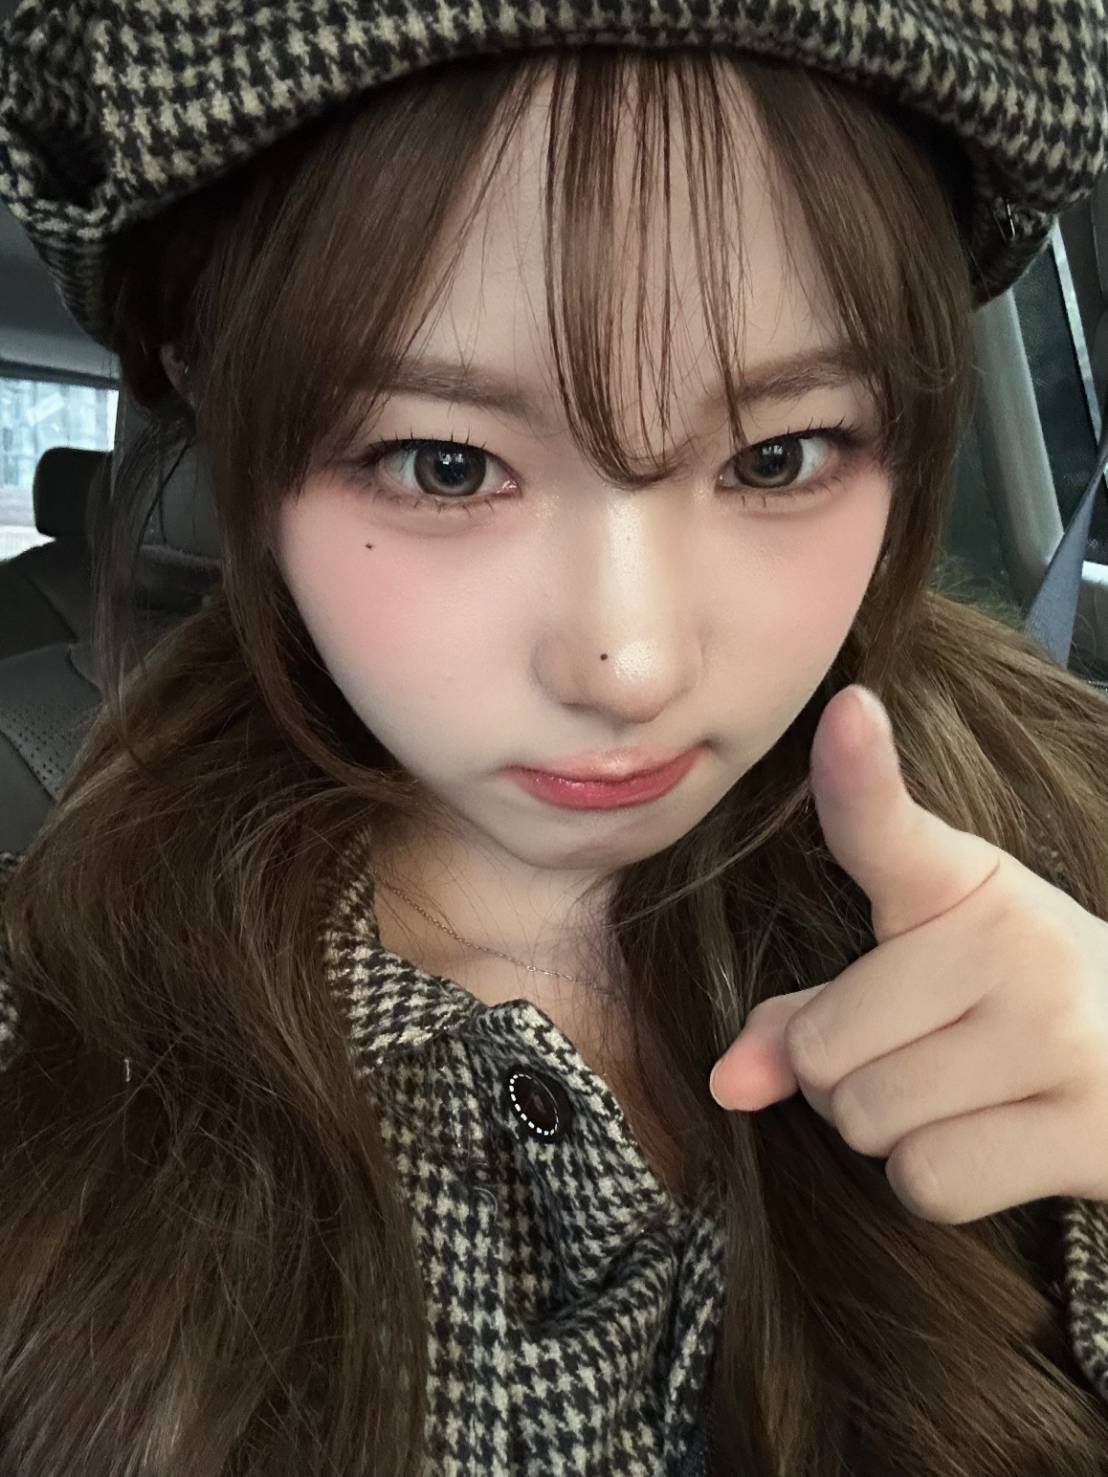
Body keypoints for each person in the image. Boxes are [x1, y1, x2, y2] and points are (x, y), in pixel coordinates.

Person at [0, 0, 1108, 1472]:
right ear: (229, 417)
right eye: (446, 465)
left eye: (779, 455)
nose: (628, 666)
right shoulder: (53, 1031)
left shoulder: (1076, 821)